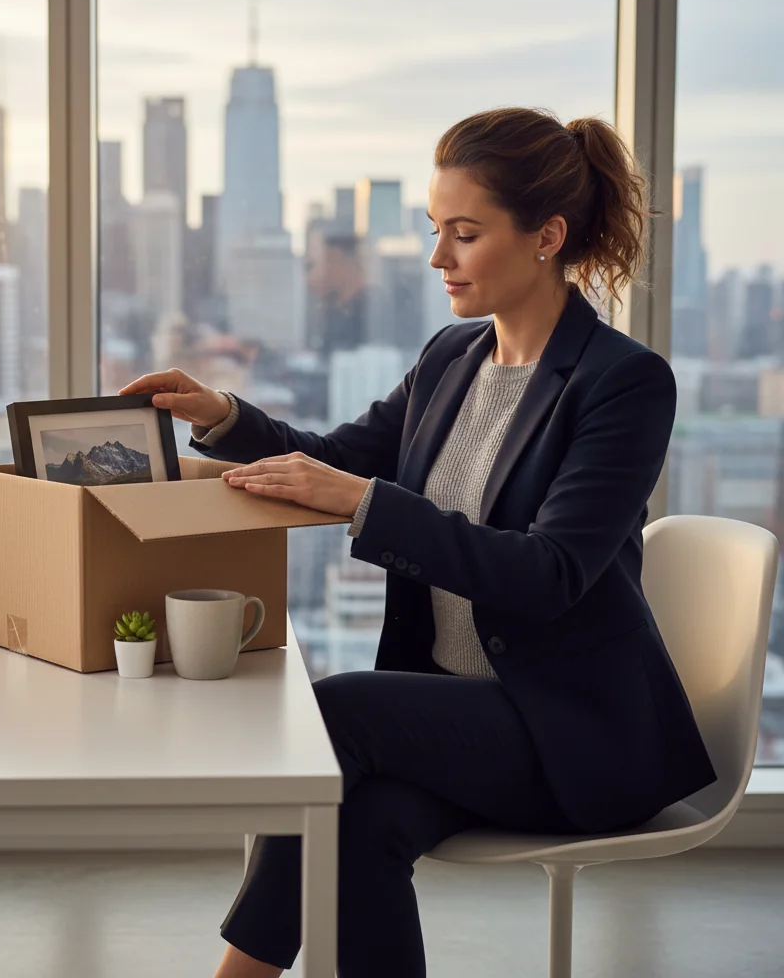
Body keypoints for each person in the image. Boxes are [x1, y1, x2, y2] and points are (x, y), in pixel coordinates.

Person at [120, 107, 717, 978]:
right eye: (437, 231)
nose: (438, 258)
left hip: (571, 732)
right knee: (359, 828)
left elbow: (550, 575)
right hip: (460, 710)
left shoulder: (622, 383)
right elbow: (332, 461)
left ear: (547, 236)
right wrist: (221, 416)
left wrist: (366, 504)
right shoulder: (450, 357)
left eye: (465, 235)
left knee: (337, 711)